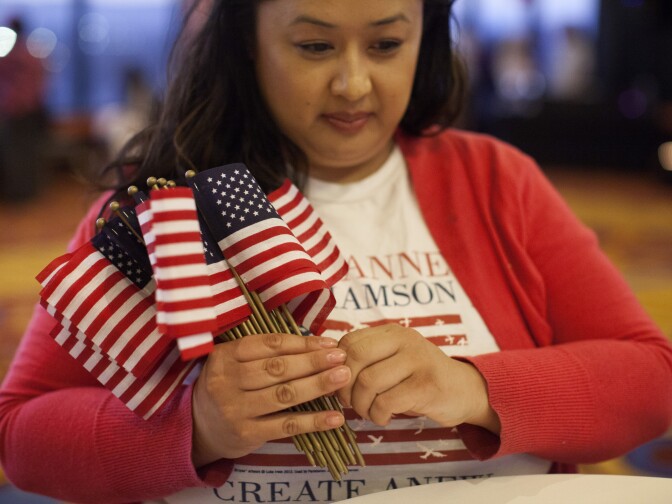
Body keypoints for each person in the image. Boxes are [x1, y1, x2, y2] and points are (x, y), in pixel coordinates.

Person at [1, 0, 672, 502]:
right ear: (248, 46)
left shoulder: (494, 180)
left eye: (385, 44)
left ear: (426, 42)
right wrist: (196, 426)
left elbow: (651, 379)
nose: (354, 85)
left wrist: (471, 385)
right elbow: (22, 434)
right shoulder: (163, 205)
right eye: (315, 47)